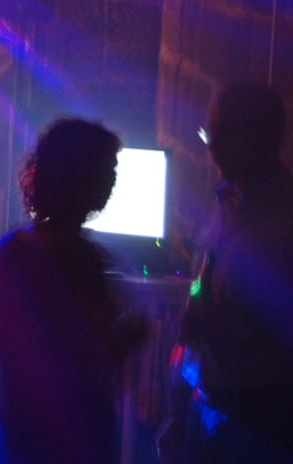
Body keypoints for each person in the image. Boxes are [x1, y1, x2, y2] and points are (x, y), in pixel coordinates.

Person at [0, 118, 148, 464]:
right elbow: (90, 359)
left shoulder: (10, 252)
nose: (114, 180)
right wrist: (130, 336)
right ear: (82, 176)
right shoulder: (82, 258)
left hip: (23, 432)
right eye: (108, 169)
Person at [157, 82, 293, 463]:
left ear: (260, 140)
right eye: (209, 134)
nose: (210, 146)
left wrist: (226, 326)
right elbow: (201, 309)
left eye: (219, 135)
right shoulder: (227, 204)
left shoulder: (285, 221)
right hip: (208, 413)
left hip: (262, 426)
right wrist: (179, 412)